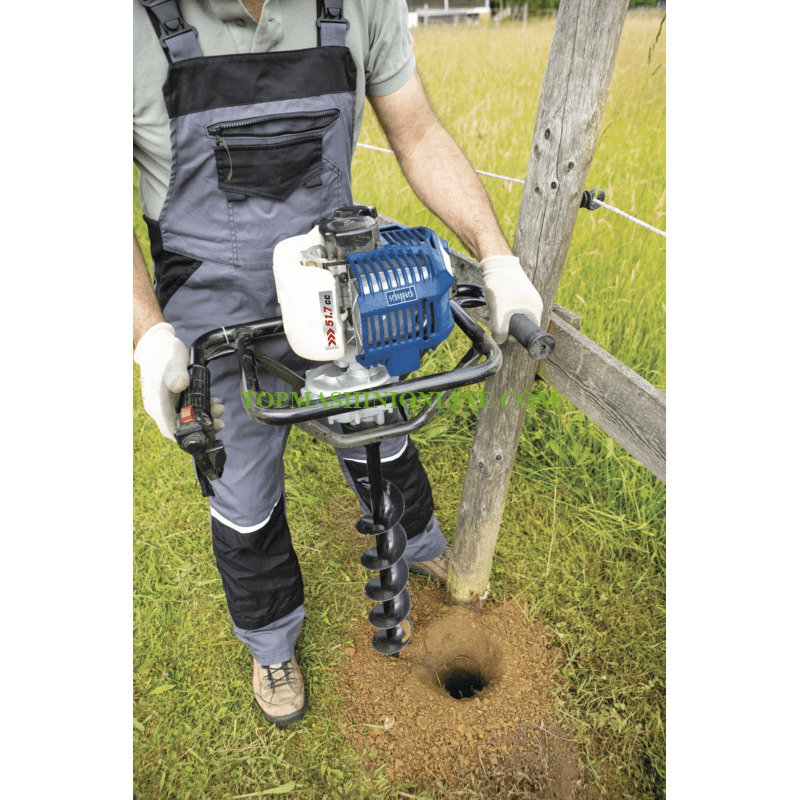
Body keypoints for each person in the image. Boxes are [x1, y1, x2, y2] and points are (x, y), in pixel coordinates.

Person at [133, 0, 543, 727]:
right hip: (213, 308)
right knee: (242, 491)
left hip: (335, 288)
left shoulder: (360, 4)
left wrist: (496, 256)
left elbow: (417, 131)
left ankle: (418, 544)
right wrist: (148, 337)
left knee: (378, 427)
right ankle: (271, 643)